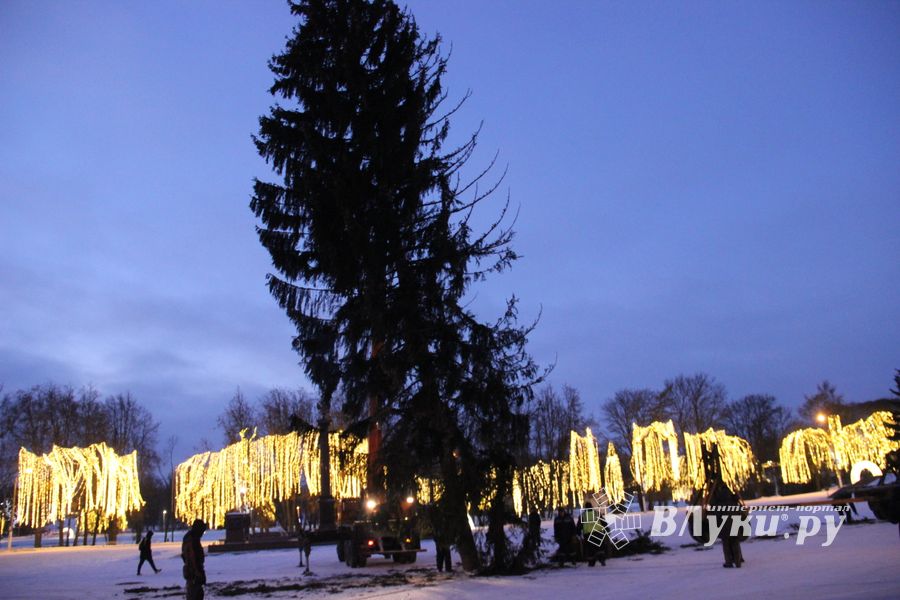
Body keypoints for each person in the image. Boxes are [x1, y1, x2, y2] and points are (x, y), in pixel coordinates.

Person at [709, 480, 745, 569]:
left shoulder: (718, 503)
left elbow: (716, 516)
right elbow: (740, 512)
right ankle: (738, 561)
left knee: (726, 544)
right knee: (735, 542)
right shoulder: (733, 501)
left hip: (724, 526)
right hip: (735, 523)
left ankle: (728, 562)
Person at [181, 519, 208, 600]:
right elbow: (193, 558)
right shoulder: (193, 540)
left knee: (194, 594)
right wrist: (198, 572)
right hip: (193, 573)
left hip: (192, 572)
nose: (202, 533)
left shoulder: (190, 538)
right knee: (195, 594)